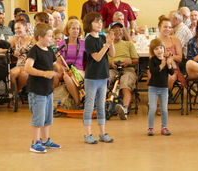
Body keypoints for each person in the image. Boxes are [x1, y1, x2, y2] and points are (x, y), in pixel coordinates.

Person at [25, 23, 61, 153]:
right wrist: (43, 73)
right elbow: (27, 68)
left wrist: (60, 68)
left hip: (48, 90)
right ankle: (35, 143)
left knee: (47, 118)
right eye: (49, 36)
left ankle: (45, 140)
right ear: (40, 37)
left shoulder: (50, 50)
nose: (51, 39)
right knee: (38, 119)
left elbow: (54, 64)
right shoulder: (34, 50)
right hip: (37, 91)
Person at [83, 12, 115, 144]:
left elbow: (112, 54)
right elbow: (96, 57)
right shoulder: (89, 39)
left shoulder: (103, 38)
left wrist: (110, 42)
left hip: (103, 76)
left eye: (100, 21)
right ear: (89, 24)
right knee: (90, 105)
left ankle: (102, 133)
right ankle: (88, 134)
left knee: (101, 105)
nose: (99, 24)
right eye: (96, 22)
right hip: (92, 77)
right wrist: (106, 45)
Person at [107, 21, 139, 120]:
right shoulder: (107, 45)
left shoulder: (129, 44)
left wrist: (129, 62)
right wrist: (111, 63)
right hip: (112, 69)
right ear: (110, 32)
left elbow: (136, 60)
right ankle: (101, 107)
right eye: (115, 30)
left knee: (125, 86)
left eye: (120, 29)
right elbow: (102, 61)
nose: (118, 32)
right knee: (104, 81)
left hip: (128, 69)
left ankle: (124, 109)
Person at [54, 19, 85, 108]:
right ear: (68, 30)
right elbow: (58, 62)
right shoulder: (61, 43)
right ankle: (54, 102)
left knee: (67, 77)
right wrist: (61, 68)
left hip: (78, 70)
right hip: (64, 69)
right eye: (73, 28)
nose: (76, 31)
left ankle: (78, 103)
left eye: (77, 29)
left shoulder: (83, 43)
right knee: (54, 76)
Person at [147, 38, 174, 136]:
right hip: (153, 88)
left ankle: (164, 127)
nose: (159, 50)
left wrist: (169, 64)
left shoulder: (166, 60)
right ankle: (150, 127)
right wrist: (161, 66)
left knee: (164, 108)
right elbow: (153, 71)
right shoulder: (152, 60)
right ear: (153, 51)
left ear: (164, 48)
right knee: (153, 108)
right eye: (156, 49)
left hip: (164, 88)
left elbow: (171, 73)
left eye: (161, 48)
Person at [9, 19, 36, 94]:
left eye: (18, 28)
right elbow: (5, 47)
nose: (16, 30)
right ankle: (13, 95)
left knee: (24, 75)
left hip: (30, 65)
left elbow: (37, 52)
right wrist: (13, 52)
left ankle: (17, 92)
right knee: (12, 73)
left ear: (25, 28)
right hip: (19, 64)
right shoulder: (15, 39)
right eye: (15, 29)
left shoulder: (33, 39)